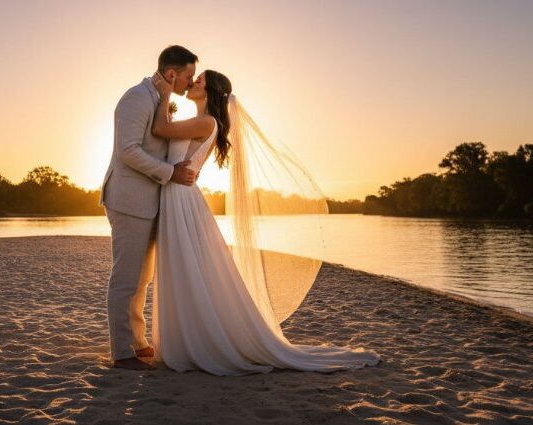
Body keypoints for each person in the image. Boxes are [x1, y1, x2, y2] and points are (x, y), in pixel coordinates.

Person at [148, 69, 381, 375]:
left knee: (188, 266)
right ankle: (190, 335)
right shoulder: (201, 121)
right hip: (179, 194)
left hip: (181, 196)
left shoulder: (207, 122)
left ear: (213, 92)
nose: (192, 83)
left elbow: (159, 128)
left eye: (199, 80)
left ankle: (199, 340)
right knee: (187, 267)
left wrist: (164, 91)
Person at [99, 45, 199, 370]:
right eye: (188, 76)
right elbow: (127, 151)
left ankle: (138, 341)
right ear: (172, 74)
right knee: (126, 278)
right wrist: (171, 173)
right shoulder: (137, 98)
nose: (190, 82)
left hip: (149, 202)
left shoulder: (159, 100)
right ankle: (121, 352)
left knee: (142, 279)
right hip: (129, 200)